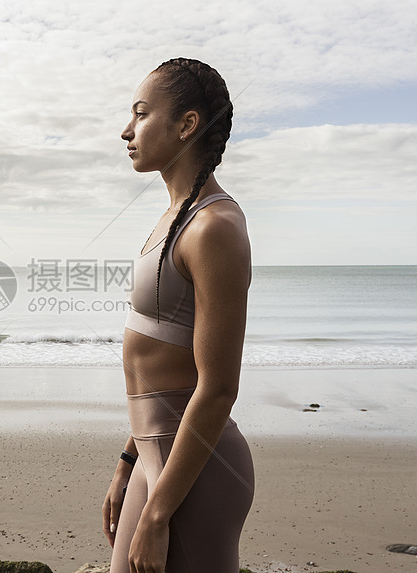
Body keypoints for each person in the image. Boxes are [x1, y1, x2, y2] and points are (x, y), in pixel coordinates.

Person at [103, 58, 255, 573]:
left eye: (142, 114)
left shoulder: (215, 227)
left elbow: (216, 387)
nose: (127, 130)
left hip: (195, 475)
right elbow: (161, 363)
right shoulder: (173, 217)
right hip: (155, 463)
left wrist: (156, 516)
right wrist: (129, 461)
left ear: (187, 125)